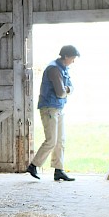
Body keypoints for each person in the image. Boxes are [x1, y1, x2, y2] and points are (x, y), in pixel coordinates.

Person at [26, 45, 80, 182]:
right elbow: (61, 92)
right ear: (66, 56)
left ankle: (59, 170)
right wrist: (67, 90)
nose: (73, 61)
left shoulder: (63, 68)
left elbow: (70, 88)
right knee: (51, 140)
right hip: (49, 108)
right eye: (72, 58)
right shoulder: (54, 69)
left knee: (60, 140)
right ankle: (33, 165)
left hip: (58, 107)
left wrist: (66, 89)